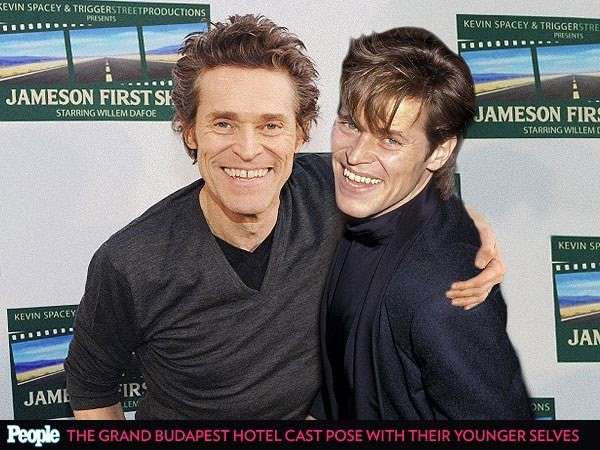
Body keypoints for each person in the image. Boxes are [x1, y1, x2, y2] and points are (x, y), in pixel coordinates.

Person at [64, 16, 503, 420]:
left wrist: (472, 232)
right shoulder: (131, 262)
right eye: (223, 124)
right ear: (190, 130)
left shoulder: (337, 193)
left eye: (271, 125)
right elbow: (91, 385)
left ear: (300, 132)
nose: (248, 149)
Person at [318, 27, 531, 420]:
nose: (355, 155)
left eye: (390, 140)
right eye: (349, 124)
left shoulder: (446, 293)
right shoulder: (351, 201)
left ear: (439, 151)